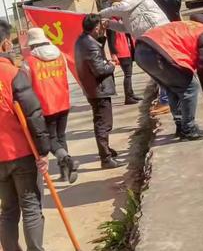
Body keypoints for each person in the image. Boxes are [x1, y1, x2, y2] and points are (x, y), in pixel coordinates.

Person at [0, 20, 61, 251]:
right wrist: (43, 150)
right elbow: (34, 114)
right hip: (20, 151)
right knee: (31, 204)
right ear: (4, 44)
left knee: (8, 210)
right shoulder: (12, 73)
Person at [135, 14, 203, 140]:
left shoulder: (193, 26)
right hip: (158, 53)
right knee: (191, 87)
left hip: (142, 50)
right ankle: (188, 129)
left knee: (173, 88)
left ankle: (180, 126)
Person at [100, 0, 171, 115]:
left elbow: (125, 6)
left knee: (161, 68)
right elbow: (126, 28)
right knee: (155, 68)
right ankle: (165, 98)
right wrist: (109, 24)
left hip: (157, 31)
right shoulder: (124, 2)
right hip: (148, 37)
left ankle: (166, 100)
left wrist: (100, 14)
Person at [22, 28, 78, 184]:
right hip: (63, 101)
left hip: (44, 106)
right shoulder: (60, 55)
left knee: (50, 138)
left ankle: (66, 159)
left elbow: (25, 86)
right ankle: (65, 172)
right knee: (61, 136)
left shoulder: (29, 62)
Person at [74, 14, 121, 169]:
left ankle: (105, 149)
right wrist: (112, 65)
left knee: (101, 121)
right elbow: (99, 69)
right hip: (98, 88)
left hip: (92, 88)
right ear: (95, 28)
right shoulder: (90, 45)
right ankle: (105, 158)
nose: (101, 29)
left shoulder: (82, 41)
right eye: (100, 27)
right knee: (104, 123)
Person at [106, 20, 141, 105]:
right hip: (121, 52)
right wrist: (114, 54)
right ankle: (128, 97)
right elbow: (111, 40)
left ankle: (131, 94)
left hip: (128, 50)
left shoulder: (121, 20)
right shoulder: (112, 23)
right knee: (128, 75)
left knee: (129, 74)